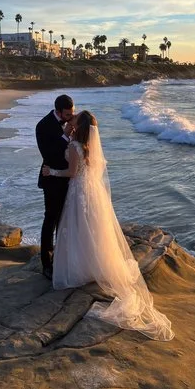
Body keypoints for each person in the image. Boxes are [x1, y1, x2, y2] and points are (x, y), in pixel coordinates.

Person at [42, 110, 174, 341]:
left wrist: (50, 171)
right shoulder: (89, 147)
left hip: (78, 192)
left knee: (79, 229)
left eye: (75, 119)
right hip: (91, 192)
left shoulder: (74, 147)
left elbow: (71, 173)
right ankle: (95, 265)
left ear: (80, 125)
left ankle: (81, 268)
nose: (70, 120)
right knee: (92, 229)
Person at [35, 94, 75, 280]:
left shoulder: (72, 121)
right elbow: (49, 155)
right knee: (50, 219)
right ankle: (47, 263)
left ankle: (63, 257)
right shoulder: (43, 126)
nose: (70, 116)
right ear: (58, 111)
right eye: (67, 114)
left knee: (66, 219)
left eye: (72, 113)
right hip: (51, 178)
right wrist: (66, 135)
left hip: (71, 179)